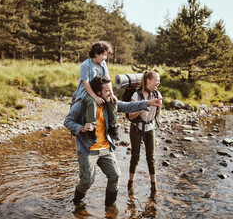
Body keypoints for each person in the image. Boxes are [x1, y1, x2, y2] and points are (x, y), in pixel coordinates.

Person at [64, 76, 163, 207]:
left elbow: (128, 106)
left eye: (112, 90)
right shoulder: (81, 104)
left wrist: (148, 103)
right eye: (108, 91)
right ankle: (77, 203)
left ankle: (110, 208)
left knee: (115, 175)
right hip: (88, 150)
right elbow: (67, 121)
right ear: (98, 93)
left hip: (105, 148)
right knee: (87, 180)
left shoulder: (110, 103)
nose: (112, 94)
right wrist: (81, 128)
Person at [73, 41, 119, 142]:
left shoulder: (103, 64)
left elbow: (107, 79)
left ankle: (113, 127)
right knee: (92, 102)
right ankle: (91, 130)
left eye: (106, 55)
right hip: (86, 92)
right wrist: (95, 97)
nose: (105, 57)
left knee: (112, 101)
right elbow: (86, 83)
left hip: (99, 91)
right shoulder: (85, 65)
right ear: (96, 53)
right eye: (103, 55)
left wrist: (111, 93)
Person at [127, 71, 162, 195]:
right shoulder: (137, 95)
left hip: (150, 128)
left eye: (158, 80)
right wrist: (143, 106)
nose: (158, 83)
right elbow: (131, 116)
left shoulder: (157, 94)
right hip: (136, 127)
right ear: (149, 81)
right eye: (156, 80)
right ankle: (130, 182)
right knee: (135, 156)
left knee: (151, 158)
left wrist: (159, 107)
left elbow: (157, 116)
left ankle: (154, 185)